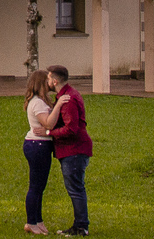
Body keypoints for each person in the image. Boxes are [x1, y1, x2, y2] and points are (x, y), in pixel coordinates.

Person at [46, 65, 93, 237]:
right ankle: (79, 225)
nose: (47, 81)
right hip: (73, 150)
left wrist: (49, 133)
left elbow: (71, 129)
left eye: (48, 78)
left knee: (75, 188)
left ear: (55, 80)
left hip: (74, 150)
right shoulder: (66, 95)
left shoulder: (68, 99)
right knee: (76, 187)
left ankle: (81, 227)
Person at [23, 70, 70, 235]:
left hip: (41, 146)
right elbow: (48, 124)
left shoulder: (41, 101)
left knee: (40, 186)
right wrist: (58, 104)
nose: (51, 83)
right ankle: (31, 222)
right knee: (35, 186)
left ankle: (38, 220)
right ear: (41, 83)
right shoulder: (37, 103)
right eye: (48, 80)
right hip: (37, 145)